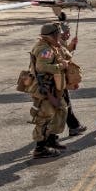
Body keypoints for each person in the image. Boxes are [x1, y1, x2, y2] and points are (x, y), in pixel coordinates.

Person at [27, 22, 69, 158]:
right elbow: (42, 67)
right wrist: (60, 66)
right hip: (44, 88)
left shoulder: (50, 46)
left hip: (52, 87)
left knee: (61, 109)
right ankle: (40, 148)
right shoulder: (45, 49)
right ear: (51, 35)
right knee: (44, 117)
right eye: (58, 34)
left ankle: (51, 139)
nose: (60, 35)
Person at [57, 21, 87, 137]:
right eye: (67, 32)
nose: (69, 34)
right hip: (58, 80)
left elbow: (66, 55)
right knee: (64, 105)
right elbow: (64, 59)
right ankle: (73, 127)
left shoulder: (61, 42)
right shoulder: (58, 43)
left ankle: (74, 126)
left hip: (60, 79)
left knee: (66, 104)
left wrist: (71, 45)